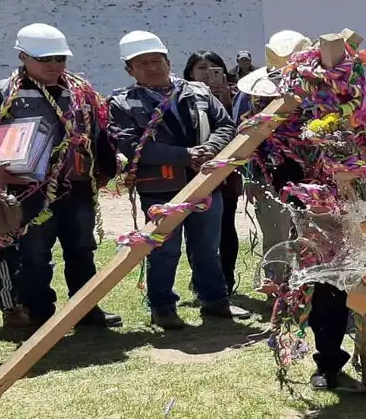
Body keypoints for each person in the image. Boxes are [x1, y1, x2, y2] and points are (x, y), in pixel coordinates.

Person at [0, 23, 121, 333]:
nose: (54, 65)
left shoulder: (82, 92)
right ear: (23, 56)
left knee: (82, 250)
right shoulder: (3, 92)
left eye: (60, 59)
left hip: (77, 188)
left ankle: (86, 310)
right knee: (33, 254)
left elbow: (98, 131)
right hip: (29, 191)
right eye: (45, 59)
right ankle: (39, 314)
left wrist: (106, 168)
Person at [109, 30, 249, 329]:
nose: (152, 67)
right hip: (160, 188)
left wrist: (210, 149)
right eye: (142, 63)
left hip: (206, 183)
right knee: (163, 249)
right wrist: (185, 155)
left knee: (207, 247)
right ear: (130, 70)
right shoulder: (122, 103)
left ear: (168, 61)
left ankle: (215, 300)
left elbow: (225, 125)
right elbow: (132, 145)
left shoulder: (197, 91)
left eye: (156, 60)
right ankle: (162, 307)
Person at [233, 30, 312, 294]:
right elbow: (243, 140)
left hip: (315, 176)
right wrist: (250, 177)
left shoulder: (323, 94)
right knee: (275, 231)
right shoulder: (251, 96)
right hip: (268, 174)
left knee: (312, 234)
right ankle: (275, 283)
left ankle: (309, 288)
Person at [183, 51, 242, 295]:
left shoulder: (238, 94)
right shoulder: (182, 95)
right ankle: (201, 279)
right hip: (193, 169)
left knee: (226, 224)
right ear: (190, 73)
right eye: (202, 67)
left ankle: (226, 278)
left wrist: (227, 100)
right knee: (195, 228)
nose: (208, 73)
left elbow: (240, 129)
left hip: (226, 170)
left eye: (214, 68)